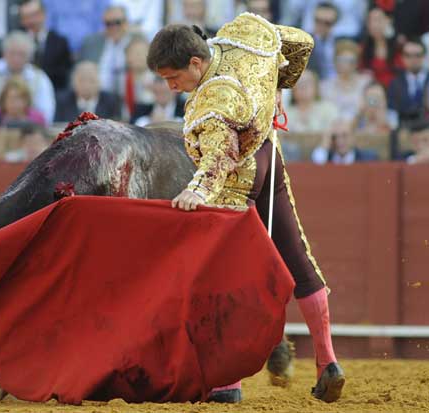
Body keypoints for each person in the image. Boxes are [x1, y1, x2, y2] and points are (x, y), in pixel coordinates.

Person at [147, 14, 344, 403]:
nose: (171, 87)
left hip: (236, 175)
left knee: (224, 275)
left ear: (196, 64)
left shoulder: (212, 98)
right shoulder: (240, 38)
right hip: (269, 153)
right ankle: (328, 362)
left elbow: (222, 154)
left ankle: (228, 383)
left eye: (174, 77)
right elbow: (300, 42)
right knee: (297, 258)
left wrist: (198, 191)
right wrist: (278, 87)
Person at [18, 0, 72, 92]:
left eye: (34, 15)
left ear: (44, 14)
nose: (31, 21)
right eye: (26, 17)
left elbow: (63, 77)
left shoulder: (59, 42)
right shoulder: (16, 41)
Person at [319, 39, 372, 122]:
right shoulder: (325, 86)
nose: (346, 64)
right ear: (335, 61)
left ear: (357, 62)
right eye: (341, 59)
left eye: (350, 60)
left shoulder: (366, 83)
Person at [54, 61, 121, 122]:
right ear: (73, 82)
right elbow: (57, 127)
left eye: (91, 80)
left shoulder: (111, 101)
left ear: (99, 82)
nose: (86, 85)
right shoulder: (62, 101)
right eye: (81, 80)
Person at [387, 38, 429, 123]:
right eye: (408, 55)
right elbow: (392, 113)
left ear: (424, 56)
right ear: (402, 57)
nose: (413, 59)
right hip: (404, 131)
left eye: (417, 55)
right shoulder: (395, 83)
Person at [311, 120, 379, 164]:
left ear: (352, 137)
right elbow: (316, 168)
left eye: (344, 135)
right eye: (335, 136)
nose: (339, 141)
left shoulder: (367, 158)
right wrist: (324, 144)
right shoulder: (326, 157)